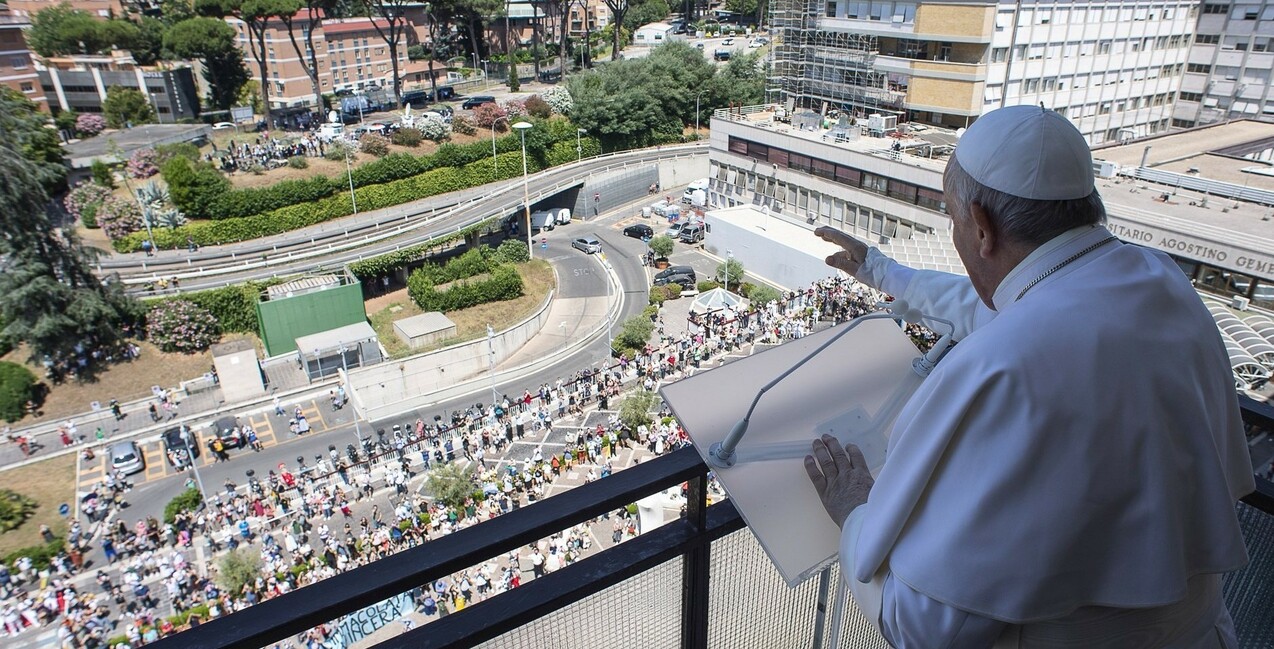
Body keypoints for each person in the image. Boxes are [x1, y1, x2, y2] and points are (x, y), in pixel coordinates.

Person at [804, 106, 1253, 647]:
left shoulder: (1002, 371)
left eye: (952, 220)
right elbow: (1012, 308)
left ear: (982, 226)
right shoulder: (1157, 281)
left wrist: (857, 513)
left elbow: (925, 627)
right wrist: (882, 269)